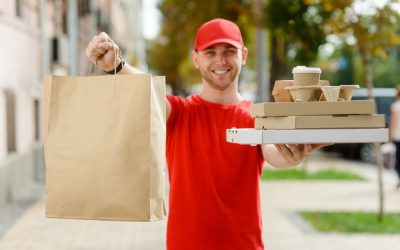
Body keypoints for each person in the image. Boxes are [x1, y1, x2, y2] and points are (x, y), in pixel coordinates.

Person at [86, 18, 327, 250]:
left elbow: (274, 153)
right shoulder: (179, 112)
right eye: (210, 52)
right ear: (196, 59)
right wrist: (117, 66)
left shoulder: (256, 116)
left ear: (243, 55)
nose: (220, 61)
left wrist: (294, 154)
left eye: (229, 51)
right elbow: (147, 89)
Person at [389, 85, 400, 189]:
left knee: (398, 160)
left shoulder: (396, 106)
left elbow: (394, 123)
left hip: (398, 137)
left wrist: (390, 138)